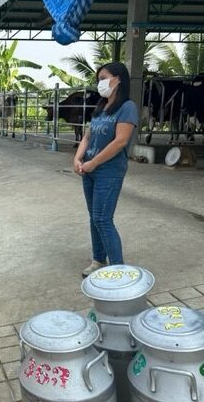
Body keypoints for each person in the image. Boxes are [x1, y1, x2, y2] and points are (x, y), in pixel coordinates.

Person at [74, 62, 139, 277]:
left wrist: (94, 163)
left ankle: (118, 269)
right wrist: (78, 157)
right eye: (98, 79)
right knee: (94, 216)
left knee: (103, 218)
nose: (100, 83)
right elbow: (88, 136)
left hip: (109, 171)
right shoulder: (101, 107)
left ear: (118, 79)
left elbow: (120, 141)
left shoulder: (127, 107)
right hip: (89, 169)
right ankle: (98, 260)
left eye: (104, 78)